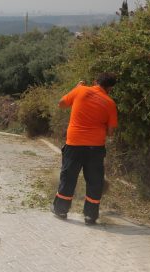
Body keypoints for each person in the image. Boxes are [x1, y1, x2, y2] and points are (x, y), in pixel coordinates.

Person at [51, 73, 118, 225]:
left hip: (74, 144)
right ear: (110, 88)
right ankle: (90, 216)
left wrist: (75, 88)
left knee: (69, 177)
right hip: (96, 147)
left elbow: (61, 103)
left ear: (95, 82)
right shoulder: (110, 103)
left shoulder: (80, 90)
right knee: (95, 181)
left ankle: (61, 210)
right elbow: (111, 131)